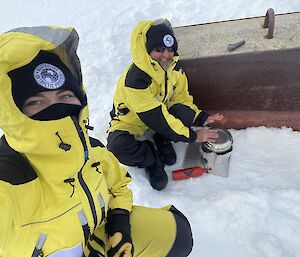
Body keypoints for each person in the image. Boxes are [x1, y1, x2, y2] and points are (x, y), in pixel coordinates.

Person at [0, 26, 193, 257]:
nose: (57, 109)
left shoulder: (90, 148)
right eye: (37, 102)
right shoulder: (10, 177)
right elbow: (152, 114)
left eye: (65, 96)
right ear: (14, 112)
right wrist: (192, 135)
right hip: (130, 127)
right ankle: (151, 154)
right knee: (121, 145)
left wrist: (119, 226)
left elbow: (119, 185)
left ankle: (159, 142)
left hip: (97, 236)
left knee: (179, 233)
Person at [107, 19, 224, 190]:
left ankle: (162, 137)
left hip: (159, 116)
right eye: (158, 50)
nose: (165, 55)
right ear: (147, 50)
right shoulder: (136, 79)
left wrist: (200, 117)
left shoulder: (174, 70)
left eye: (170, 50)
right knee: (117, 147)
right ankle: (150, 157)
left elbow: (181, 98)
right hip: (131, 122)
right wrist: (193, 136)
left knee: (183, 113)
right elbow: (156, 117)